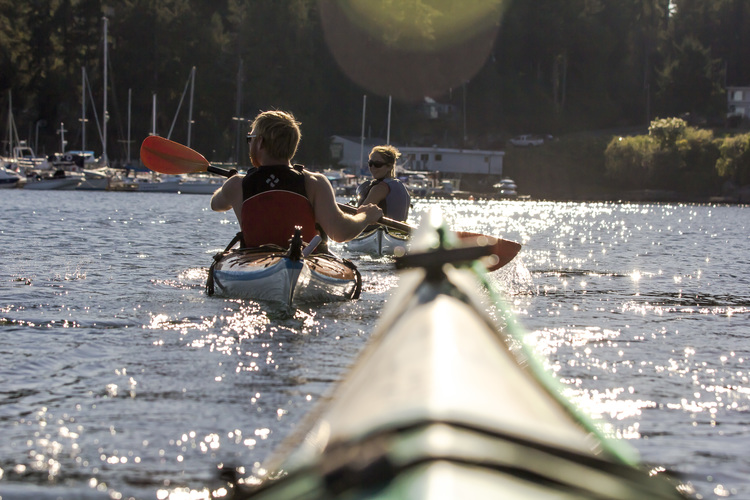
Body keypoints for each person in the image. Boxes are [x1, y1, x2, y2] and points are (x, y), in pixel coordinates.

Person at [210, 110, 383, 249]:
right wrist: (365, 217)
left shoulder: (236, 185)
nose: (249, 144)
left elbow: (216, 204)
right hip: (304, 257)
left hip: (255, 264)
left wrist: (231, 183)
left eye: (250, 139)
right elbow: (340, 232)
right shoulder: (315, 183)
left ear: (260, 143)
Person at [355, 145, 411, 222]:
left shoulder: (380, 188)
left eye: (378, 164)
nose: (373, 167)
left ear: (389, 167)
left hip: (380, 231)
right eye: (370, 163)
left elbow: (360, 215)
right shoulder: (399, 186)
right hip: (398, 232)